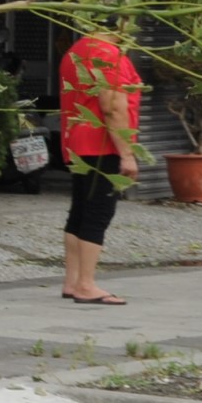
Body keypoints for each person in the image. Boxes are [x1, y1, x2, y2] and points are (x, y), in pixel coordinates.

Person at [58, 25, 143, 305]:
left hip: (77, 140)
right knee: (99, 212)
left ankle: (72, 281)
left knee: (80, 210)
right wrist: (127, 154)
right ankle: (86, 284)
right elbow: (112, 106)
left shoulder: (77, 50)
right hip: (101, 142)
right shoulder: (107, 54)